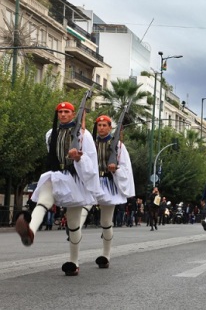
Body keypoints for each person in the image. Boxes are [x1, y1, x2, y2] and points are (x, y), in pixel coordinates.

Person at [15, 101, 100, 276]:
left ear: (73, 114)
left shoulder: (85, 135)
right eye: (60, 112)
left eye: (66, 112)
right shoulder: (50, 134)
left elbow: (92, 162)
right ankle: (31, 230)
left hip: (76, 178)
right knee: (43, 199)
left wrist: (78, 159)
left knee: (74, 224)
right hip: (57, 174)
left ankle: (74, 261)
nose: (62, 114)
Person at [92, 114, 135, 269]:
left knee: (105, 221)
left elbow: (125, 167)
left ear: (110, 128)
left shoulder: (118, 146)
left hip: (108, 184)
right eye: (99, 125)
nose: (101, 128)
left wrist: (115, 168)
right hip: (92, 182)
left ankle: (106, 254)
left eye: (105, 125)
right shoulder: (91, 143)